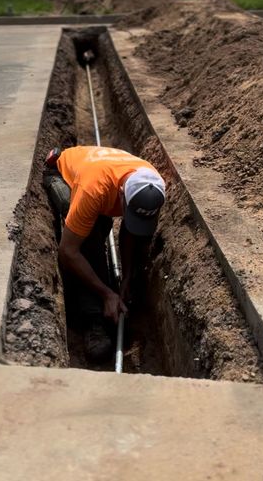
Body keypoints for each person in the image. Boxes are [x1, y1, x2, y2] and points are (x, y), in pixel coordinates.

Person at [43, 145, 166, 363]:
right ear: (121, 195)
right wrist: (106, 294)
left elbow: (131, 230)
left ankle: (107, 288)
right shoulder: (94, 190)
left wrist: (126, 277)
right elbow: (68, 251)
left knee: (98, 227)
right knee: (89, 237)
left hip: (96, 179)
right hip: (60, 174)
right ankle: (93, 319)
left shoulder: (149, 183)